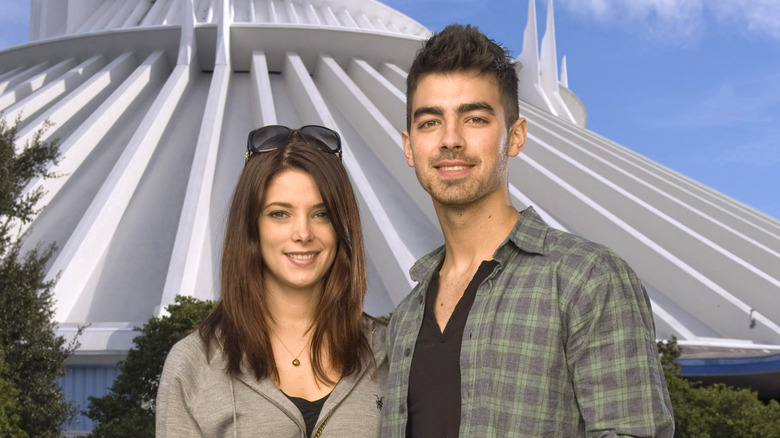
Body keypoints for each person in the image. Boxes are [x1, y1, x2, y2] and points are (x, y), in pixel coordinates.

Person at [382, 25, 674, 437]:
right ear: (410, 146)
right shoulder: (406, 318)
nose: (451, 140)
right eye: (431, 122)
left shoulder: (585, 278)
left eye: (475, 118)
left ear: (515, 137)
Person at [157, 125, 387, 437]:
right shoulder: (195, 365)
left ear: (342, 228)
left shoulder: (391, 352)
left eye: (322, 214)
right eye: (280, 214)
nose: (303, 233)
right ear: (251, 227)